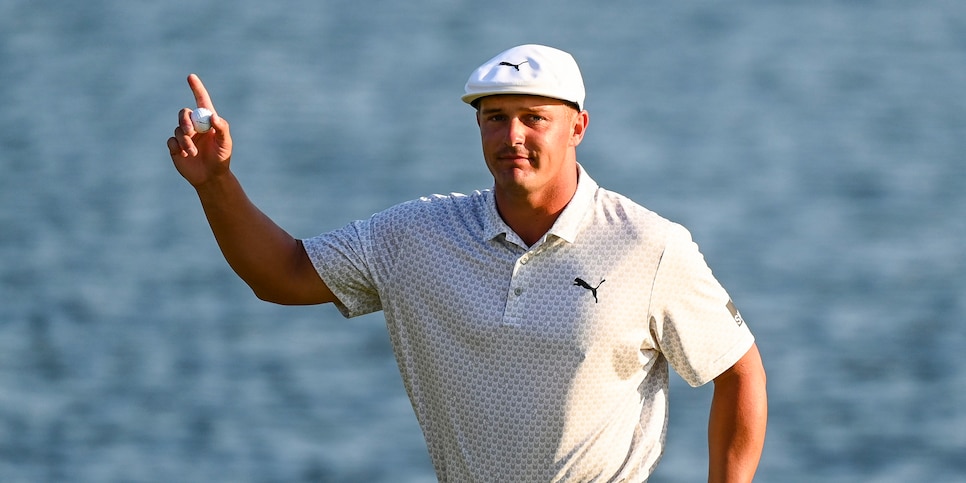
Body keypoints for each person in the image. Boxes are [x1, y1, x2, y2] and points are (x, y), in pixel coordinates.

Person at [167, 44, 767, 482]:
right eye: (495, 117)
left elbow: (739, 373)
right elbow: (282, 275)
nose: (514, 136)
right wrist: (216, 184)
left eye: (536, 118)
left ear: (578, 127)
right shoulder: (414, 235)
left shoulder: (648, 245)